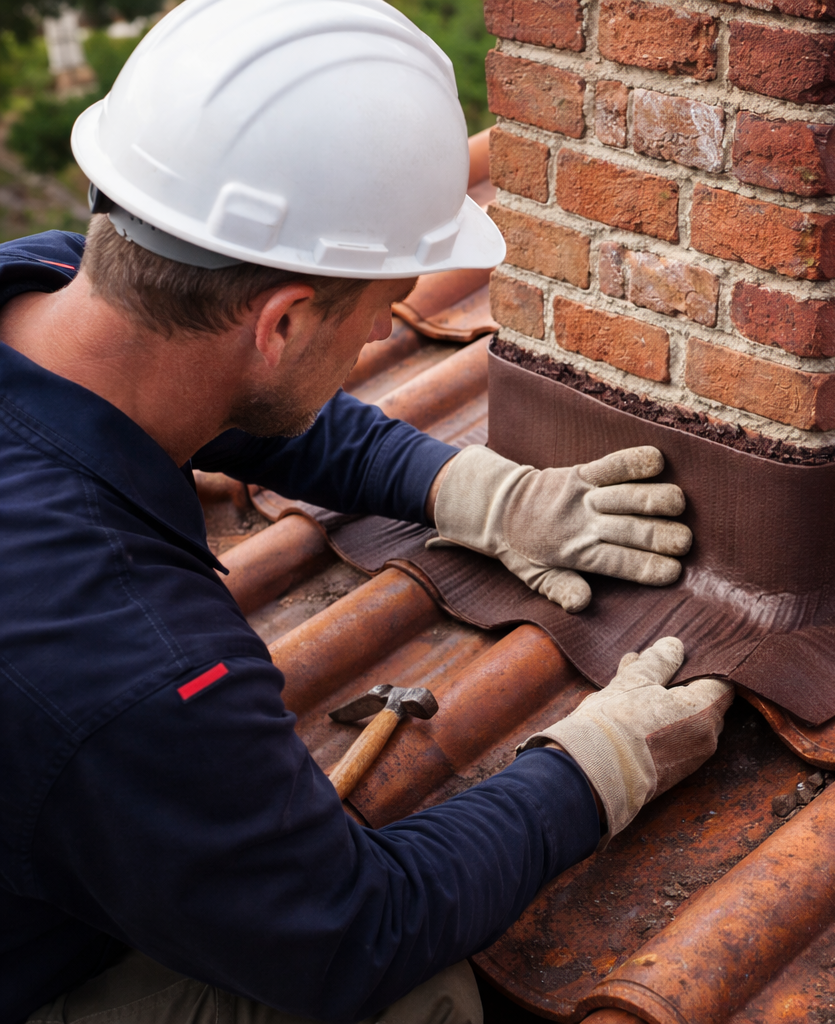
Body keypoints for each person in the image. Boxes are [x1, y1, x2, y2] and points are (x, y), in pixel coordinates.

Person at [0, 2, 733, 1022]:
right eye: (380, 312)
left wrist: (472, 492)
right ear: (283, 321)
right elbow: (353, 931)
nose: (384, 338)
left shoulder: (46, 288)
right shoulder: (125, 657)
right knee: (419, 997)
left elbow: (226, 394)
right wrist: (593, 769)